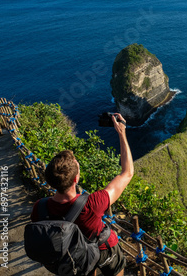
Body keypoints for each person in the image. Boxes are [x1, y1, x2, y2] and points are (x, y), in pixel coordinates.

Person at [30, 113, 133, 276]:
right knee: (116, 267)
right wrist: (121, 132)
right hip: (104, 250)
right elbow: (127, 173)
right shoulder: (93, 204)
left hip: (72, 256)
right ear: (76, 178)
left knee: (85, 268)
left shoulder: (39, 208)